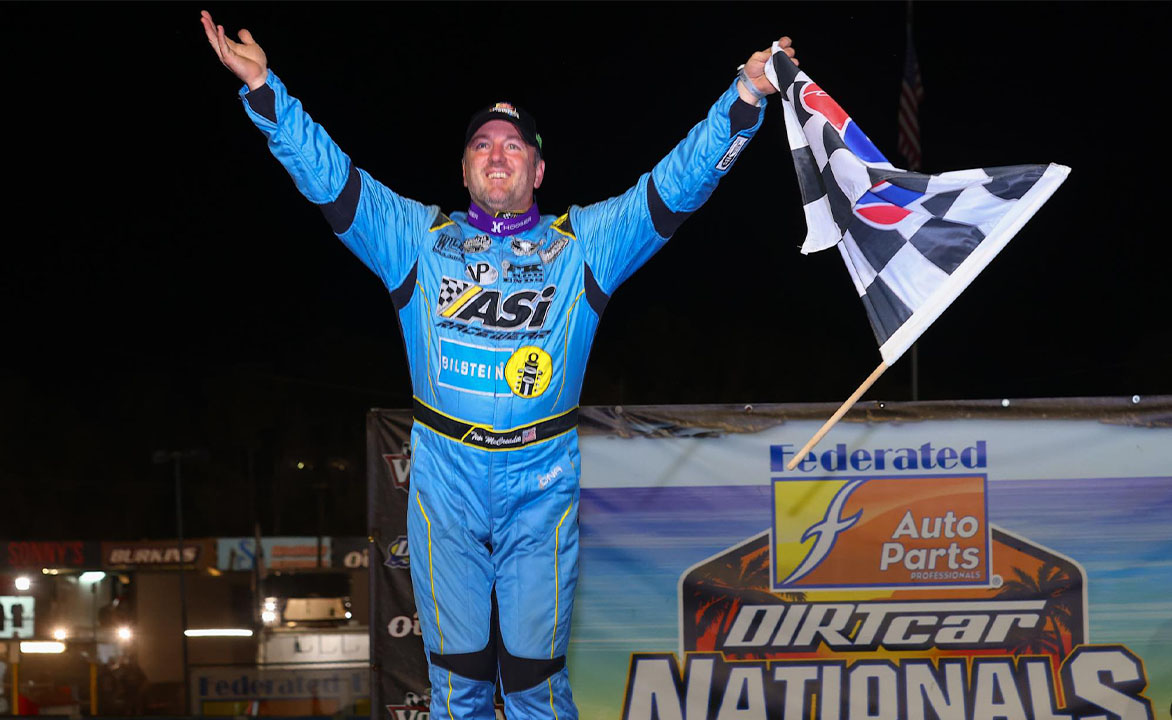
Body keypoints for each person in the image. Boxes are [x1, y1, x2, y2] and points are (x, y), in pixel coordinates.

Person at [200, 10, 796, 718]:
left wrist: (745, 100)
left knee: (534, 682)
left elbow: (675, 186)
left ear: (539, 168)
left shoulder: (583, 245)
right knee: (459, 683)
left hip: (540, 481)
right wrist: (266, 90)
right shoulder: (417, 238)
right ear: (463, 167)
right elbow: (329, 177)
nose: (497, 153)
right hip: (444, 478)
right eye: (481, 143)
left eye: (514, 144)